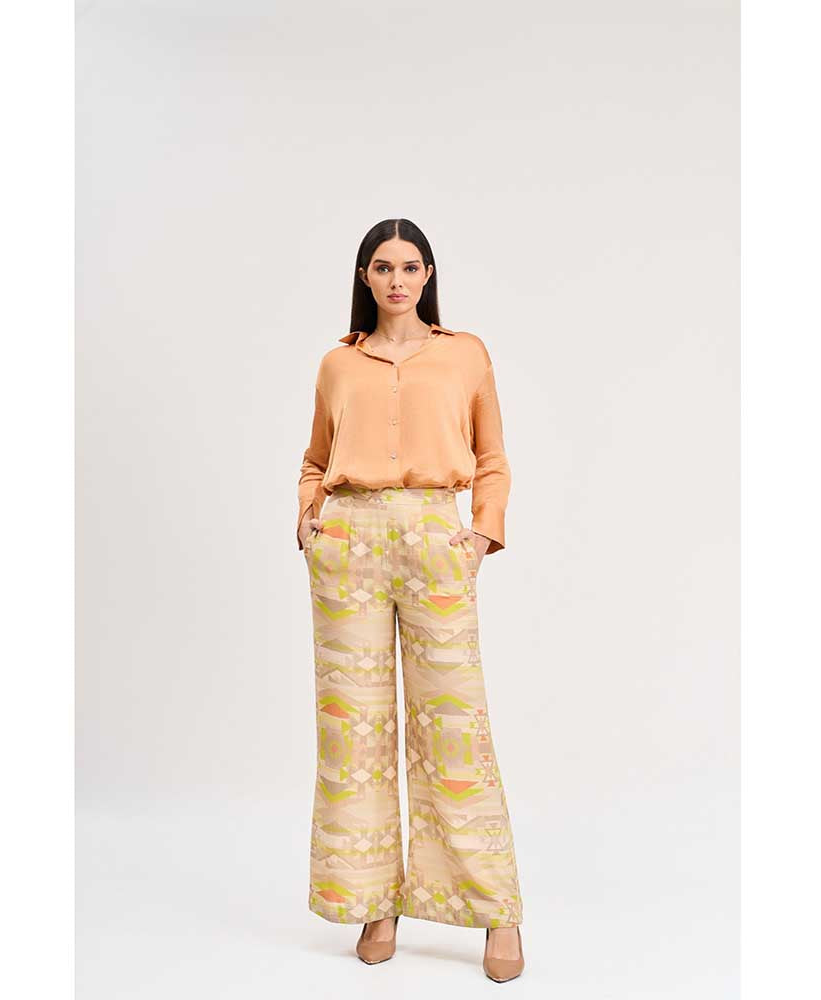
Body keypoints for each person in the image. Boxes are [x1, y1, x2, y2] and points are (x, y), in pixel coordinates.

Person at [296, 219, 525, 982]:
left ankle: (496, 910)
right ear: (364, 277)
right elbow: (316, 458)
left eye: (411, 266)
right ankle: (375, 902)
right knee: (352, 732)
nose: (397, 280)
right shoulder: (338, 362)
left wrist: (482, 532)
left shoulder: (465, 354)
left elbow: (492, 456)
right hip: (348, 541)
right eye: (383, 267)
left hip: (434, 535)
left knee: (455, 727)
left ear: (428, 276)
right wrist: (308, 520)